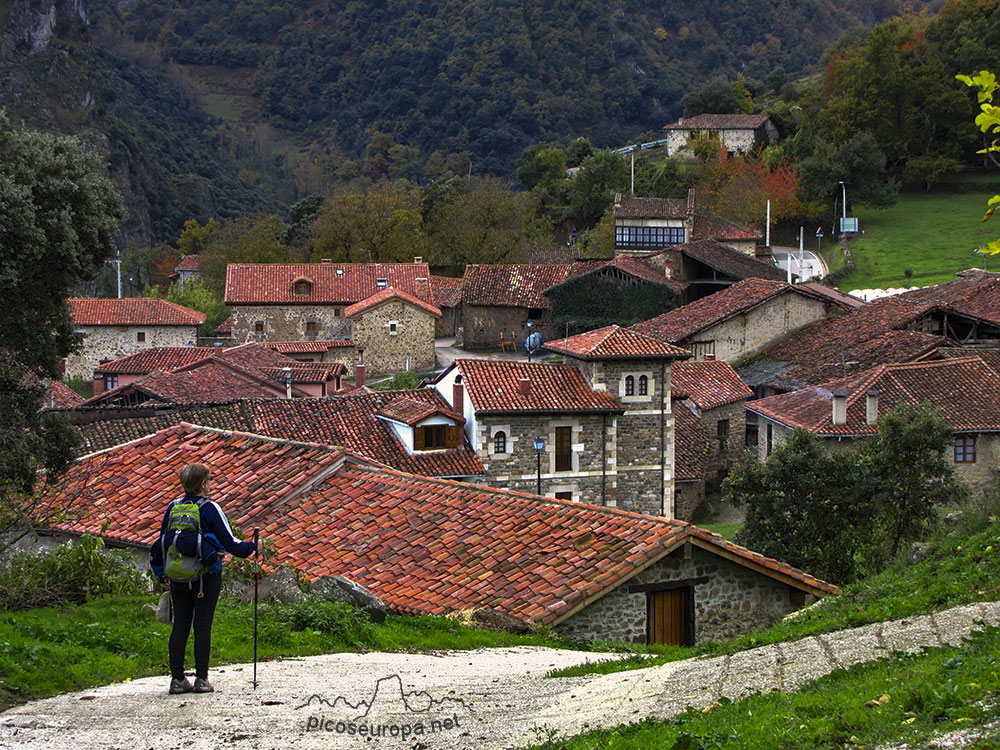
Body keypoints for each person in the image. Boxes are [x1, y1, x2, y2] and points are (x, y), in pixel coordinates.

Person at [149, 463, 256, 695]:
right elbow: (230, 543)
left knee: (180, 626)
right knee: (202, 625)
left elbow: (162, 541)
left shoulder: (173, 507)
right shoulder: (210, 508)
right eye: (208, 480)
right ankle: (201, 679)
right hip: (206, 577)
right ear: (202, 484)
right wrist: (251, 547)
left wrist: (162, 574)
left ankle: (177, 680)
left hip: (177, 576)